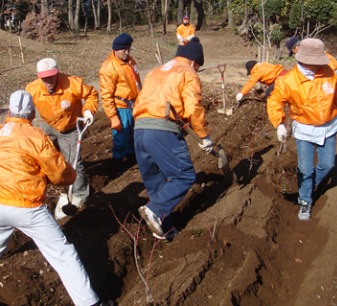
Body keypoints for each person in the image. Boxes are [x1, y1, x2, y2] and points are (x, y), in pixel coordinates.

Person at [0, 90, 105, 306]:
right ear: (32, 113)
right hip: (27, 208)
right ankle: (90, 303)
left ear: (9, 110)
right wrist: (69, 177)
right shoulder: (35, 135)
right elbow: (58, 172)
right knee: (63, 253)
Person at [267, 38, 337, 221]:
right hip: (305, 129)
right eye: (313, 63)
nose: (317, 67)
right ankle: (305, 200)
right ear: (301, 59)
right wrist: (279, 124)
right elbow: (275, 101)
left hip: (329, 126)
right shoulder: (289, 80)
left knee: (328, 165)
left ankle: (307, 186)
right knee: (306, 169)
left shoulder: (328, 73)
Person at [133, 37, 213, 239]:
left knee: (156, 183)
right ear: (195, 62)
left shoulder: (156, 71)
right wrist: (204, 136)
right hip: (161, 129)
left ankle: (165, 229)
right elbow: (193, 108)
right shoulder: (188, 72)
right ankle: (155, 210)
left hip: (139, 129)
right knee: (184, 175)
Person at [25, 58, 98, 218]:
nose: (48, 81)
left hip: (70, 126)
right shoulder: (32, 89)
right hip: (49, 125)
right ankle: (45, 184)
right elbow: (25, 108)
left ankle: (80, 193)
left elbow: (92, 94)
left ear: (57, 73)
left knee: (73, 162)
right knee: (42, 156)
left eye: (51, 76)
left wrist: (88, 110)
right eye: (44, 78)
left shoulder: (72, 84)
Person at [99, 33, 142, 168]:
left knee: (134, 136)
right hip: (121, 108)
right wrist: (113, 116)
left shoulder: (131, 61)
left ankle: (133, 161)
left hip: (135, 104)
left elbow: (137, 83)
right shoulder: (109, 68)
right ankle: (120, 166)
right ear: (115, 50)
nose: (126, 52)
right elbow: (106, 95)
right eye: (123, 49)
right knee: (121, 139)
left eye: (128, 49)